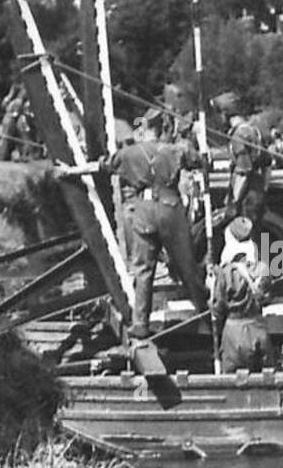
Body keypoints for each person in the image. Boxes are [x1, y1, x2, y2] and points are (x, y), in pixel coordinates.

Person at [59, 118, 210, 339]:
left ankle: (141, 324)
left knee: (143, 270)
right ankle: (205, 316)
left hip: (143, 212)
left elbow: (98, 166)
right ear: (160, 131)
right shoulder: (174, 150)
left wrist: (70, 171)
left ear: (144, 130)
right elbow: (202, 162)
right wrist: (204, 156)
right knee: (187, 265)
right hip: (170, 208)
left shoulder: (129, 154)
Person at [210, 217, 274, 373]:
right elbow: (267, 298)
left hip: (234, 336)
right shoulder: (263, 269)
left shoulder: (225, 274)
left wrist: (211, 287)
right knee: (267, 384)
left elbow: (217, 309)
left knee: (232, 386)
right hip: (259, 331)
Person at [225, 106, 270, 224]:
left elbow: (243, 171)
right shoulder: (256, 132)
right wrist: (264, 187)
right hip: (258, 190)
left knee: (243, 234)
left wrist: (234, 201)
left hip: (246, 197)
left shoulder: (239, 136)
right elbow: (267, 163)